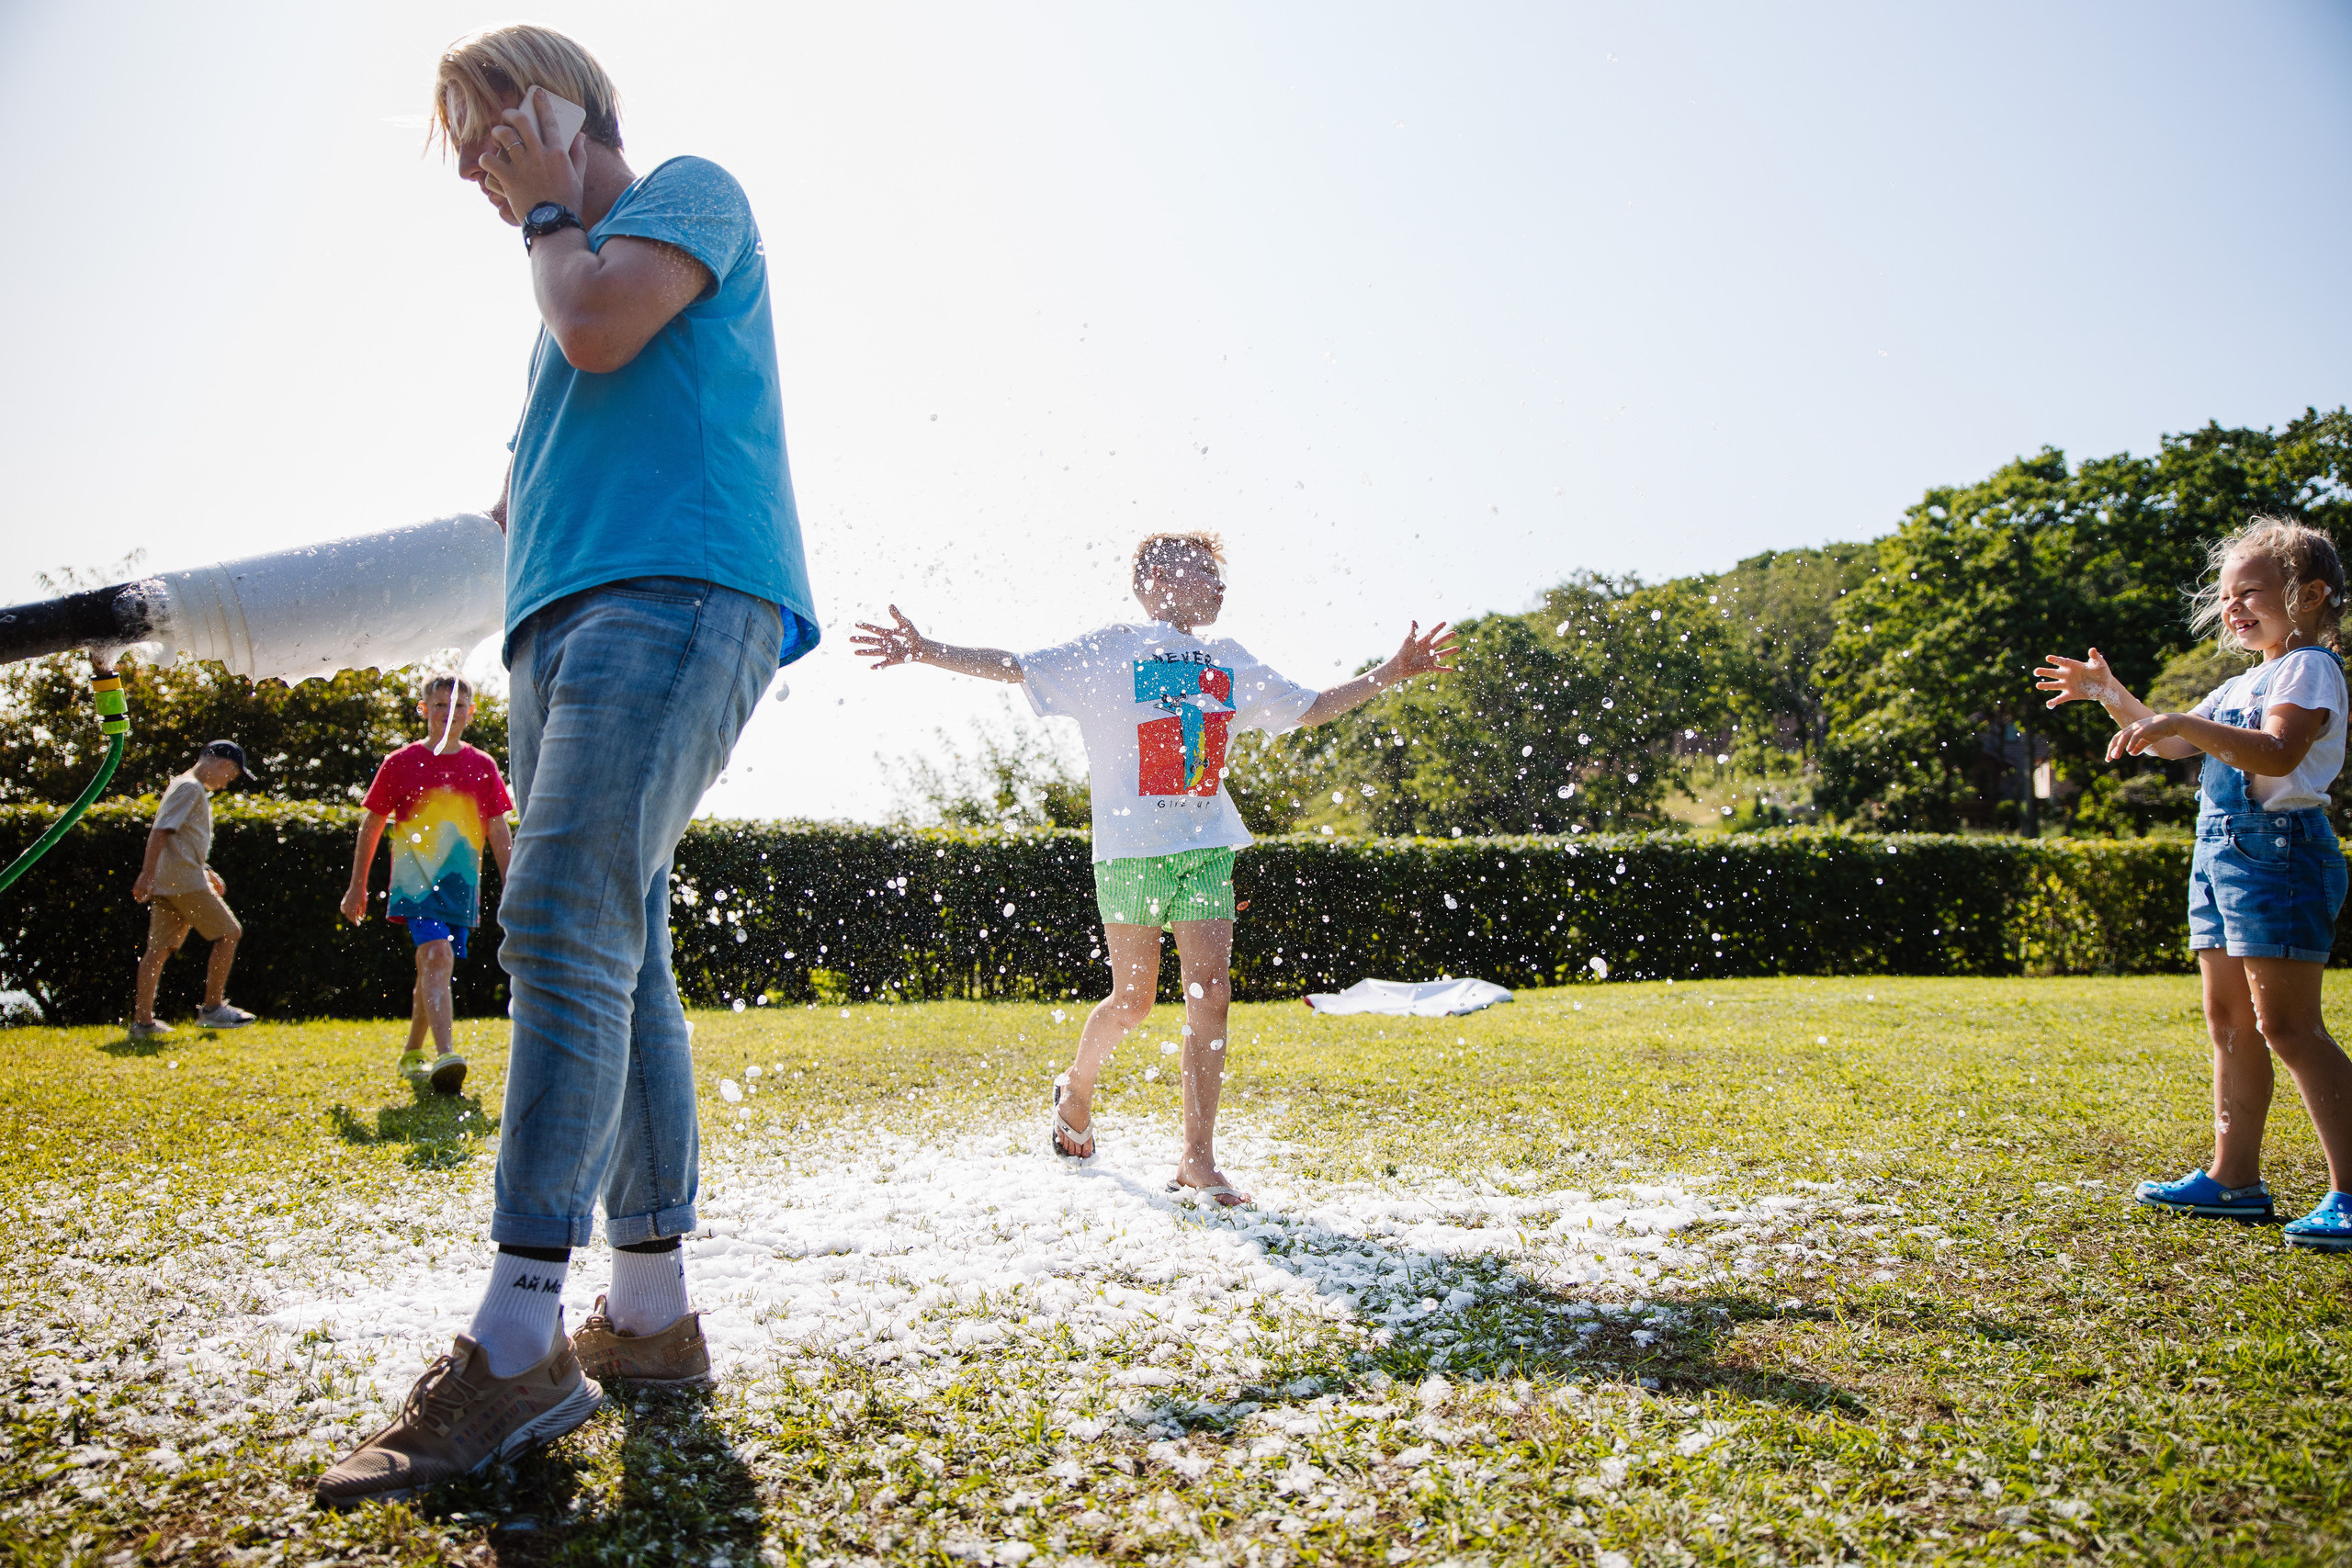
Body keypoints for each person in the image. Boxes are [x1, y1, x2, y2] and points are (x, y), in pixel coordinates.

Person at [317, 24, 818, 1506]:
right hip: (562, 627)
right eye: (468, 151)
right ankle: (649, 1309)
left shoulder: (683, 195)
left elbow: (601, 322)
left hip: (674, 596)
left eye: (494, 132)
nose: (478, 168)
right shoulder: (557, 299)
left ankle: (519, 1334)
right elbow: (508, 509)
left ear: (570, 110)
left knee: (554, 917)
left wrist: (548, 207)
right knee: (617, 937)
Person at [852, 532, 1454, 1205]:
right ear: (1157, 579)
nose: (1220, 586)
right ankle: (1076, 1087)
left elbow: (1311, 708)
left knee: (1211, 994)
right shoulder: (1111, 649)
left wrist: (1391, 671)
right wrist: (927, 648)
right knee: (1133, 1002)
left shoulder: (1230, 659)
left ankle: (1197, 1158)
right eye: (1206, 572)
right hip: (1129, 854)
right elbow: (1015, 665)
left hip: (1206, 848)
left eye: (1221, 576)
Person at [2038, 515, 2352, 1253]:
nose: (2233, 606)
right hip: (2222, 859)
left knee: (2289, 1027)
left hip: (2279, 854)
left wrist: (2185, 720)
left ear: (2308, 595)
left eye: (2251, 592)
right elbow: (2171, 738)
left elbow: (2276, 753)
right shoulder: (2243, 681)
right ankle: (2234, 1179)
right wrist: (2111, 693)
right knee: (2230, 1022)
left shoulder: (2309, 668)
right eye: (2227, 595)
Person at [340, 674, 514, 1096]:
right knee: (436, 956)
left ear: (471, 713)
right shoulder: (400, 762)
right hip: (415, 886)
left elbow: (497, 829)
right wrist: (356, 885)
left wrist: (513, 886)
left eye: (458, 707)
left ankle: (412, 1050)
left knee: (432, 966)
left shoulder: (483, 766)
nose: (448, 714)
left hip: (460, 890)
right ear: (423, 710)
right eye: (439, 706)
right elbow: (372, 824)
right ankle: (446, 1055)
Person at [128, 740, 255, 1037]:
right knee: (229, 933)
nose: (226, 783)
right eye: (231, 775)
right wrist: (146, 874)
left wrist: (206, 869)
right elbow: (160, 830)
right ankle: (212, 1009)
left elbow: (179, 838)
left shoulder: (183, 785)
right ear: (223, 764)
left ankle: (142, 1024)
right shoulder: (191, 788)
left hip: (171, 881)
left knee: (157, 950)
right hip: (184, 881)